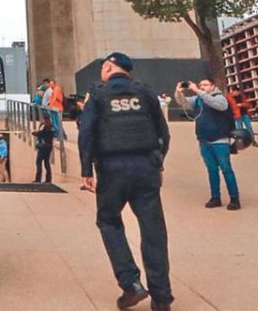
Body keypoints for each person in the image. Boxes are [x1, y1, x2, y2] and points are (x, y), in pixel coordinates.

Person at [79, 52, 173, 311]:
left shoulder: (97, 94)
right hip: (146, 168)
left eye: (103, 68)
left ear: (109, 67)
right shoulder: (145, 92)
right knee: (154, 231)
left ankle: (130, 283)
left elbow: (86, 133)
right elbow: (163, 132)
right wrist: (158, 163)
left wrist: (86, 170)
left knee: (108, 221)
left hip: (111, 170)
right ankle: (162, 298)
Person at [174, 79, 241, 210]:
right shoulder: (198, 99)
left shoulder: (220, 98)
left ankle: (234, 198)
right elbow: (185, 104)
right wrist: (179, 93)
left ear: (213, 86)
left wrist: (198, 91)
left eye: (205, 85)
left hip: (220, 140)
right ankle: (215, 197)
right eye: (200, 85)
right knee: (212, 170)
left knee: (226, 169)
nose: (202, 87)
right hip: (204, 140)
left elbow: (219, 105)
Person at [33, 118, 56, 183]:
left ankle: (38, 179)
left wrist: (38, 128)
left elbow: (39, 134)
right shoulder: (51, 128)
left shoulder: (44, 127)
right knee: (47, 163)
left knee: (38, 162)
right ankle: (48, 179)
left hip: (42, 148)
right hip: (49, 147)